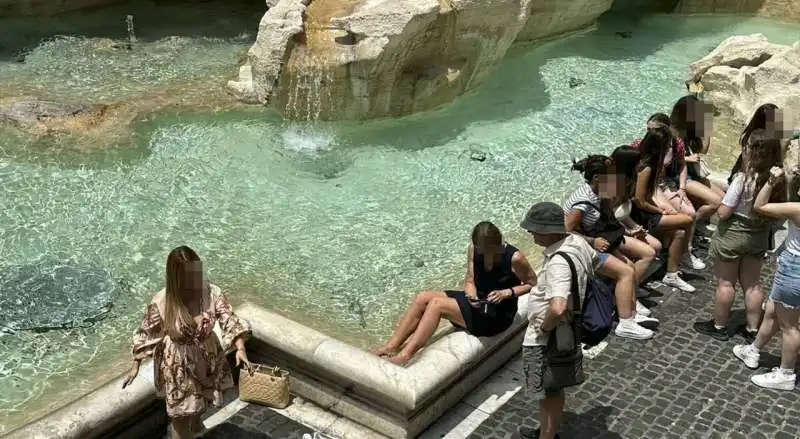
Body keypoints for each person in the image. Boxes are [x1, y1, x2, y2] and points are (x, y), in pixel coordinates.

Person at [122, 246, 252, 439]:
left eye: (196, 272)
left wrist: (240, 348)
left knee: (199, 406)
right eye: (188, 275)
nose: (195, 279)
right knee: (180, 416)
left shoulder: (211, 292)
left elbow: (228, 318)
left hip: (206, 357)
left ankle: (197, 428)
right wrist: (135, 365)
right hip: (178, 364)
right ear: (176, 277)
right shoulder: (162, 301)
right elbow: (146, 332)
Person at [371, 221, 538, 366]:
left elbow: (533, 283)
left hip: (497, 315)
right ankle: (391, 346)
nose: (484, 253)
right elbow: (470, 280)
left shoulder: (515, 258)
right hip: (478, 301)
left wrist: (507, 292)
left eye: (489, 249)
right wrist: (470, 295)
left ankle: (404, 356)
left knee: (436, 305)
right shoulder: (474, 250)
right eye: (481, 249)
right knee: (422, 297)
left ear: (497, 242)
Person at [693, 132, 785, 342]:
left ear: (752, 153)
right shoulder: (777, 182)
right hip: (758, 235)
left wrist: (722, 207)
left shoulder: (742, 179)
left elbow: (724, 212)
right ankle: (752, 329)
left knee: (725, 284)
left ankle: (719, 326)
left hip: (733, 235)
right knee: (752, 284)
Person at [518, 201, 597, 439]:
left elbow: (559, 306)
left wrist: (544, 326)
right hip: (569, 330)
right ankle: (547, 431)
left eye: (534, 230)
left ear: (547, 230)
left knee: (546, 389)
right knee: (555, 385)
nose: (531, 234)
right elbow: (595, 261)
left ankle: (547, 436)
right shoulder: (577, 242)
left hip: (548, 337)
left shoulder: (558, 263)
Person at [562, 154, 657, 339]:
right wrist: (592, 242)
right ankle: (625, 323)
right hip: (581, 249)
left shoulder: (598, 193)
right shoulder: (582, 202)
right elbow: (565, 231)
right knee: (626, 272)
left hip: (594, 243)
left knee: (629, 266)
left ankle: (630, 311)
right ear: (597, 177)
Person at [732, 167, 800, 390]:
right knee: (772, 309)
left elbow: (760, 206)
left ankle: (786, 374)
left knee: (789, 325)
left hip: (794, 269)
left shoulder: (797, 209)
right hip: (793, 269)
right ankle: (754, 350)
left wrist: (771, 180)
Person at [632, 114, 706, 271]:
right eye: (648, 129)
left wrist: (682, 188)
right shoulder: (640, 145)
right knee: (681, 218)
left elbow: (681, 164)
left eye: (654, 129)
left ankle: (685, 252)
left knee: (690, 214)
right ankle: (675, 251)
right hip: (652, 187)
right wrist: (660, 208)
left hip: (664, 184)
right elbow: (640, 193)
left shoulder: (674, 143)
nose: (650, 132)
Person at [630, 127, 697, 292]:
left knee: (680, 233)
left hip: (649, 210)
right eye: (667, 146)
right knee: (688, 219)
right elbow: (639, 201)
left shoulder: (653, 164)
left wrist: (662, 206)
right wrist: (659, 210)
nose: (669, 149)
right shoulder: (646, 167)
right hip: (642, 215)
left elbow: (651, 192)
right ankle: (685, 254)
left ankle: (671, 274)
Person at [669, 95, 724, 224]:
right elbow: (664, 159)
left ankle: (693, 224)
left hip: (692, 173)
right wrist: (687, 158)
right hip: (677, 174)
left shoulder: (690, 130)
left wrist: (707, 126)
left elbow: (703, 150)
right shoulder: (670, 131)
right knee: (716, 202)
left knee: (723, 198)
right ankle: (689, 224)